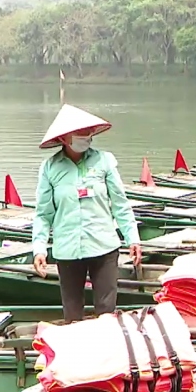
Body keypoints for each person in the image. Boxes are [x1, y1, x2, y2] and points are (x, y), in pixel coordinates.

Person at [31, 104, 142, 323]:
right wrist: (39, 248)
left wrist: (133, 238)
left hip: (104, 247)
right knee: (72, 316)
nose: (86, 136)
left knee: (107, 314)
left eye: (88, 132)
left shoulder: (104, 161)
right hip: (68, 251)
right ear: (64, 138)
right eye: (79, 133)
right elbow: (44, 214)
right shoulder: (50, 168)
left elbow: (120, 204)